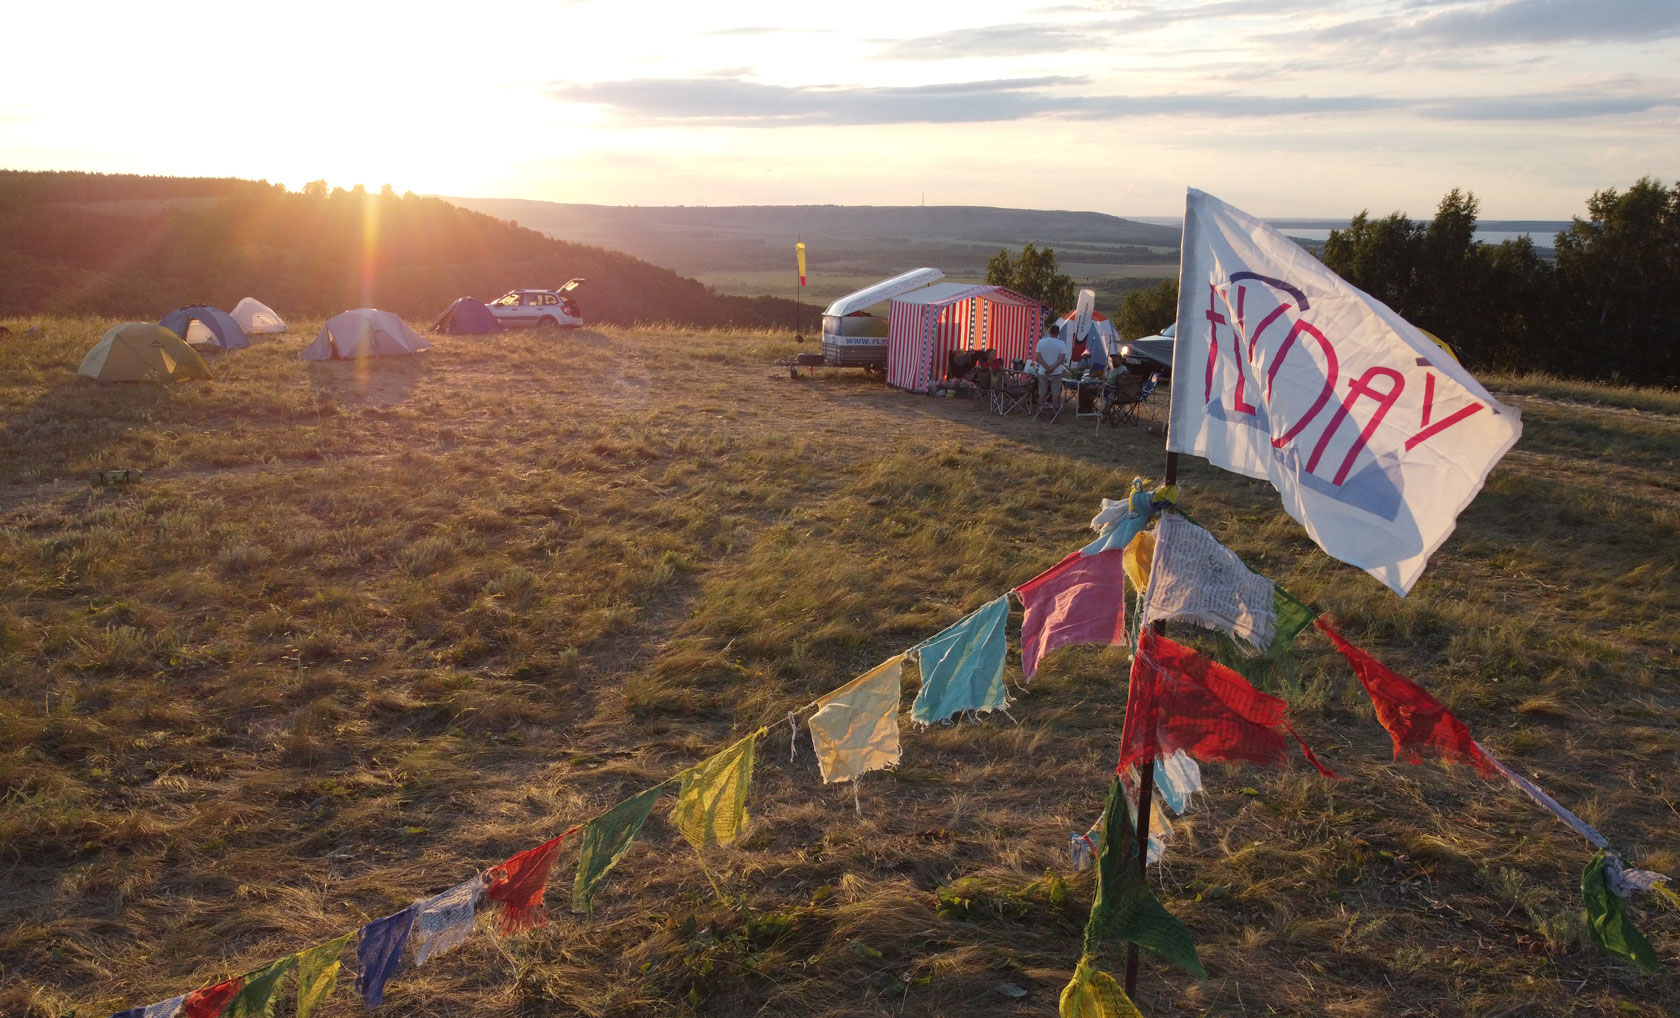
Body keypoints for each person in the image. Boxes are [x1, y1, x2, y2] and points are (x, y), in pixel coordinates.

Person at [1034, 324, 1068, 409]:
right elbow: (1061, 358)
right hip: (1056, 372)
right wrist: (1052, 368)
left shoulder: (1041, 342)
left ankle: (1040, 410)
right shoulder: (1061, 343)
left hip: (1043, 372)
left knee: (1042, 392)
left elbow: (1038, 356)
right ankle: (1054, 412)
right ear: (1058, 332)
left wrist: (1046, 367)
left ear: (1049, 332)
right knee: (1055, 393)